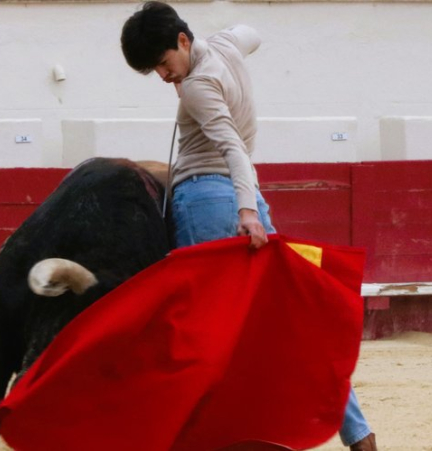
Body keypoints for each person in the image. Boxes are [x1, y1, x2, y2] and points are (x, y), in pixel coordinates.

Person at [121, 3, 376, 450]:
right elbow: (251, 33)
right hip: (245, 193)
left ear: (182, 41)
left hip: (206, 201)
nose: (163, 76)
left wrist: (246, 213)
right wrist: (250, 203)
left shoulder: (197, 86)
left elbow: (233, 149)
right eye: (154, 70)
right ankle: (358, 433)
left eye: (163, 63)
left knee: (201, 332)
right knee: (289, 317)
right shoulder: (223, 47)